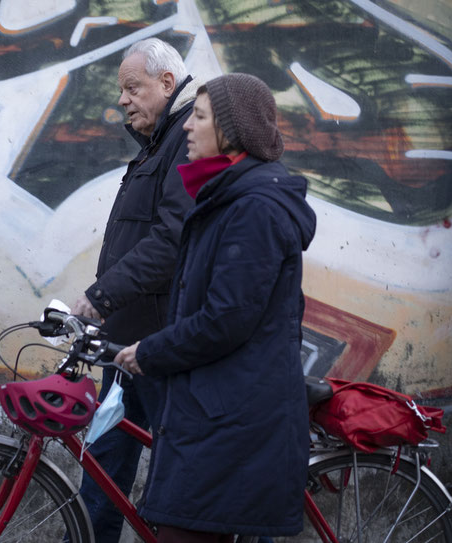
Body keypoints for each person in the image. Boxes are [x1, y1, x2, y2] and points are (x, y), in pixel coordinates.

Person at [115, 73, 316, 542]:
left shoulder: (254, 208)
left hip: (231, 420)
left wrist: (151, 351)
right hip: (215, 410)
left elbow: (227, 318)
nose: (187, 126)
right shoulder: (226, 198)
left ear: (232, 129)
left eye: (200, 117)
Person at [72, 38, 198, 542]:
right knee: (103, 466)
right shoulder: (159, 140)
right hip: (127, 344)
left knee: (191, 477)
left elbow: (172, 240)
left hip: (159, 346)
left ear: (166, 84)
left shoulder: (188, 140)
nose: (123, 100)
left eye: (132, 87)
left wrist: (101, 296)